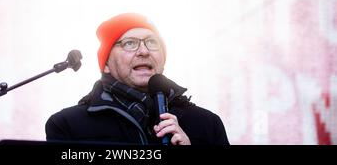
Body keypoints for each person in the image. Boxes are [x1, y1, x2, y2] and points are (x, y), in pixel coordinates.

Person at [45, 13, 229, 145]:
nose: (144, 51)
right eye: (130, 43)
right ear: (106, 64)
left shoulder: (207, 124)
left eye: (152, 42)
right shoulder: (68, 125)